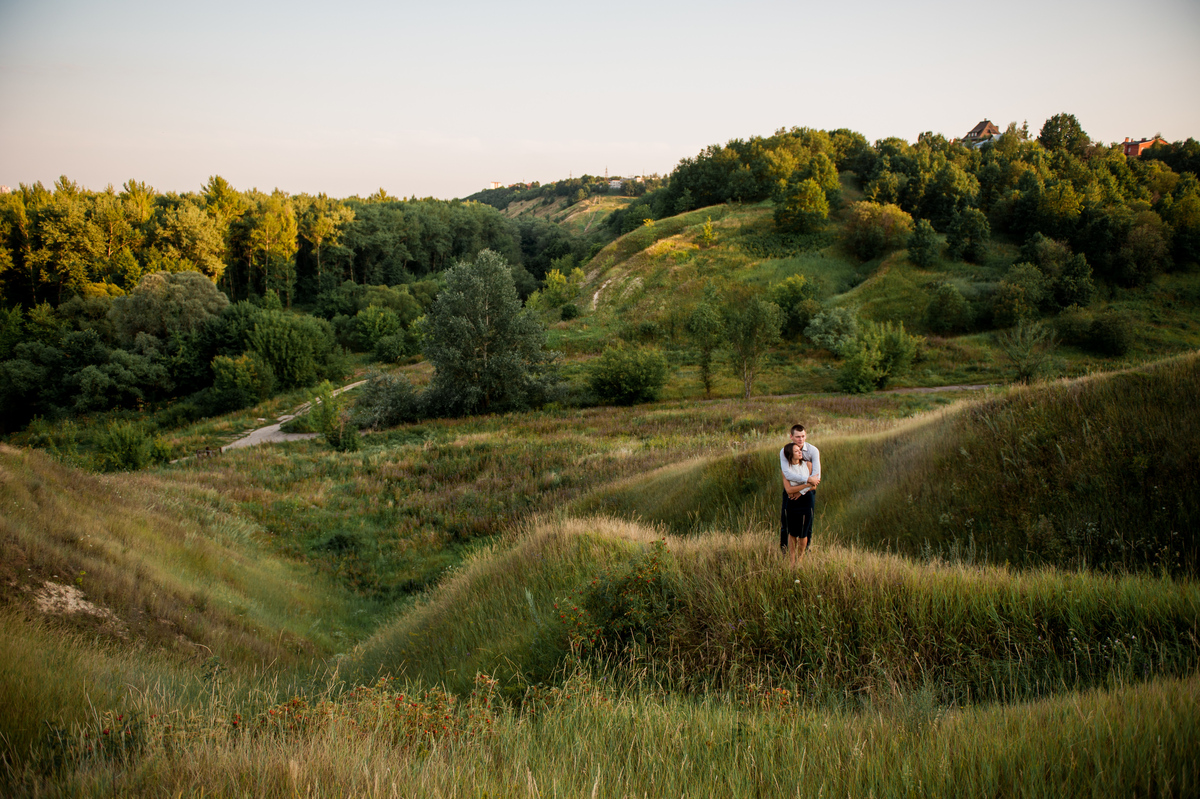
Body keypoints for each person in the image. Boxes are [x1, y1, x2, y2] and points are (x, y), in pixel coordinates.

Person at [779, 424, 820, 556]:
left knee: (807, 524)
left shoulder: (813, 451)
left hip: (808, 492)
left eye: (803, 436)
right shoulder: (785, 451)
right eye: (797, 437)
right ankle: (784, 551)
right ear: (791, 437)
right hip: (791, 491)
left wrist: (800, 490)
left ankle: (805, 551)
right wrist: (806, 481)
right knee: (785, 521)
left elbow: (816, 478)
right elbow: (788, 474)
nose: (800, 439)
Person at [781, 442, 815, 568]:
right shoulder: (786, 470)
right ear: (790, 455)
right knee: (792, 533)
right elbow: (789, 490)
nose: (800, 452)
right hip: (792, 502)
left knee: (803, 534)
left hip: (805, 501)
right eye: (796, 451)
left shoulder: (808, 464)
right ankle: (792, 560)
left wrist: (800, 490)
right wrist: (807, 484)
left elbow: (814, 485)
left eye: (799, 450)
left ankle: (800, 560)